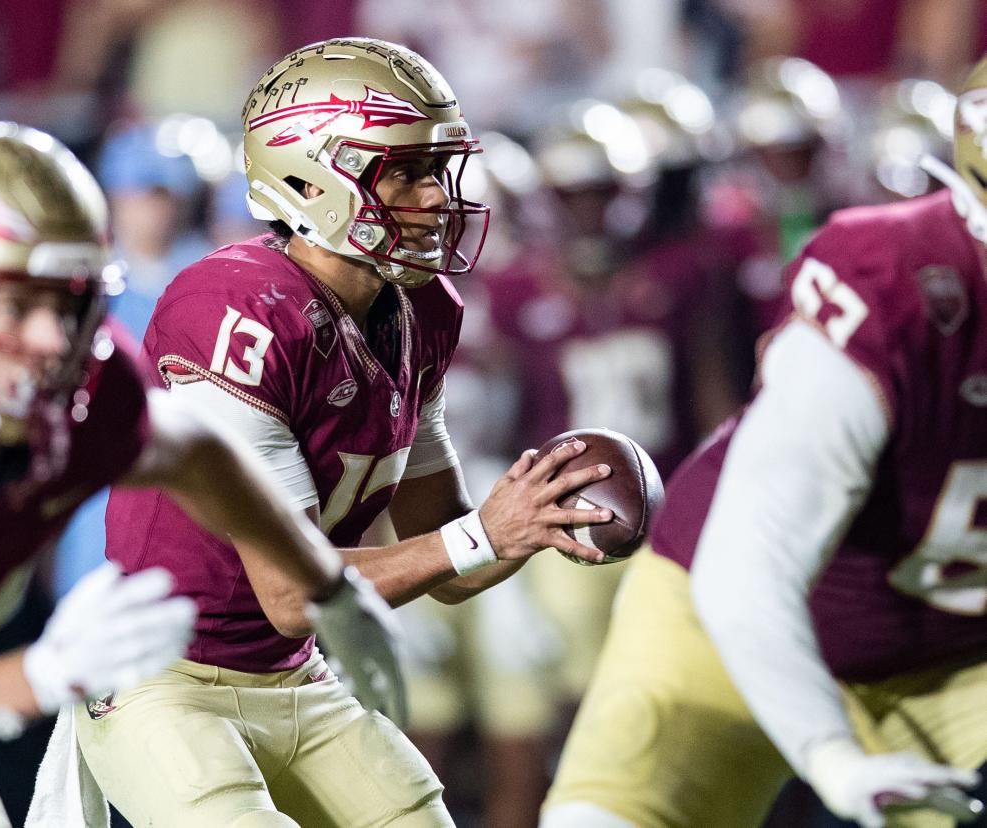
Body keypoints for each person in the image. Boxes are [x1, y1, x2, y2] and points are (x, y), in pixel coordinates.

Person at [0, 122, 405, 828]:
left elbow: (198, 451)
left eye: (69, 303)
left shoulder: (88, 399)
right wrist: (37, 676)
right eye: (19, 304)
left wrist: (325, 584)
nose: (52, 341)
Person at [72, 37, 615, 827]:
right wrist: (482, 537)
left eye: (437, 169)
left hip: (296, 674)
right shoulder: (236, 307)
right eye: (404, 171)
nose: (435, 197)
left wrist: (530, 522)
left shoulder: (420, 309)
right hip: (164, 681)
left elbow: (451, 560)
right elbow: (294, 592)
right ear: (311, 173)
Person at [540, 54, 987, 828]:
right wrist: (830, 753)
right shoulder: (903, 284)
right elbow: (748, 565)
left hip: (956, 656)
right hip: (727, 611)